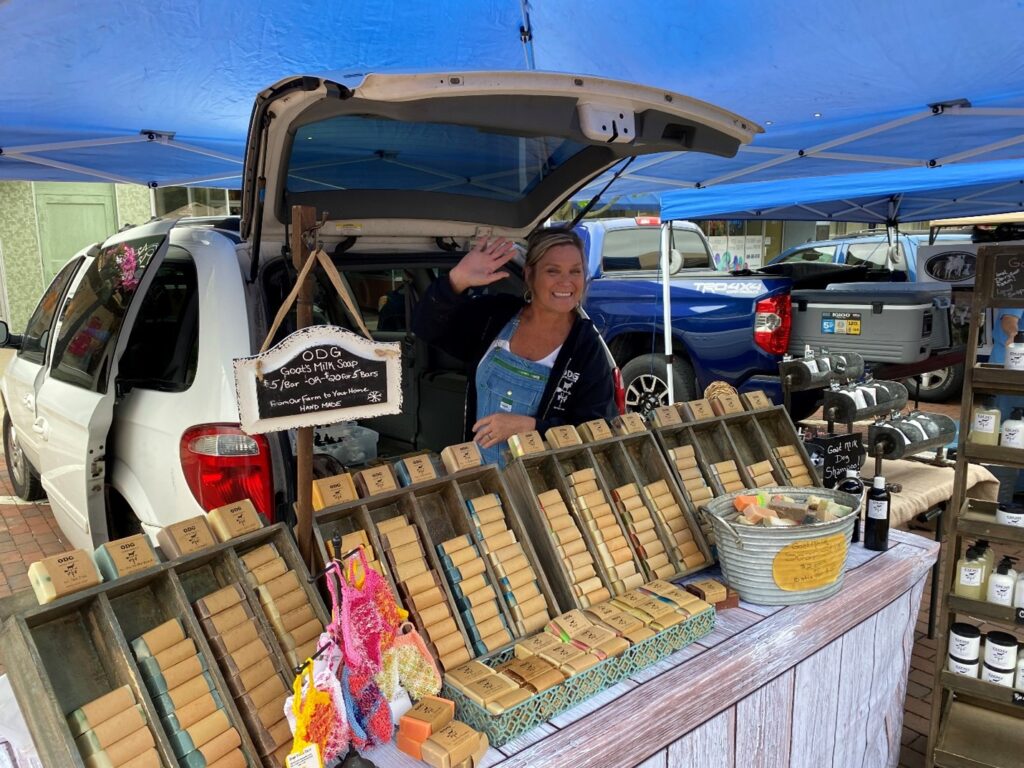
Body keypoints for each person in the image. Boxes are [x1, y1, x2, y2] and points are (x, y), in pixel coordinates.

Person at [413, 228, 617, 465]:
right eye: (552, 271)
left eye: (575, 271)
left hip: (542, 481)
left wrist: (531, 427)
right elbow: (426, 327)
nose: (566, 281)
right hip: (479, 475)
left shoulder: (586, 347)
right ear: (529, 274)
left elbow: (597, 430)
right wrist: (457, 279)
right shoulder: (496, 315)